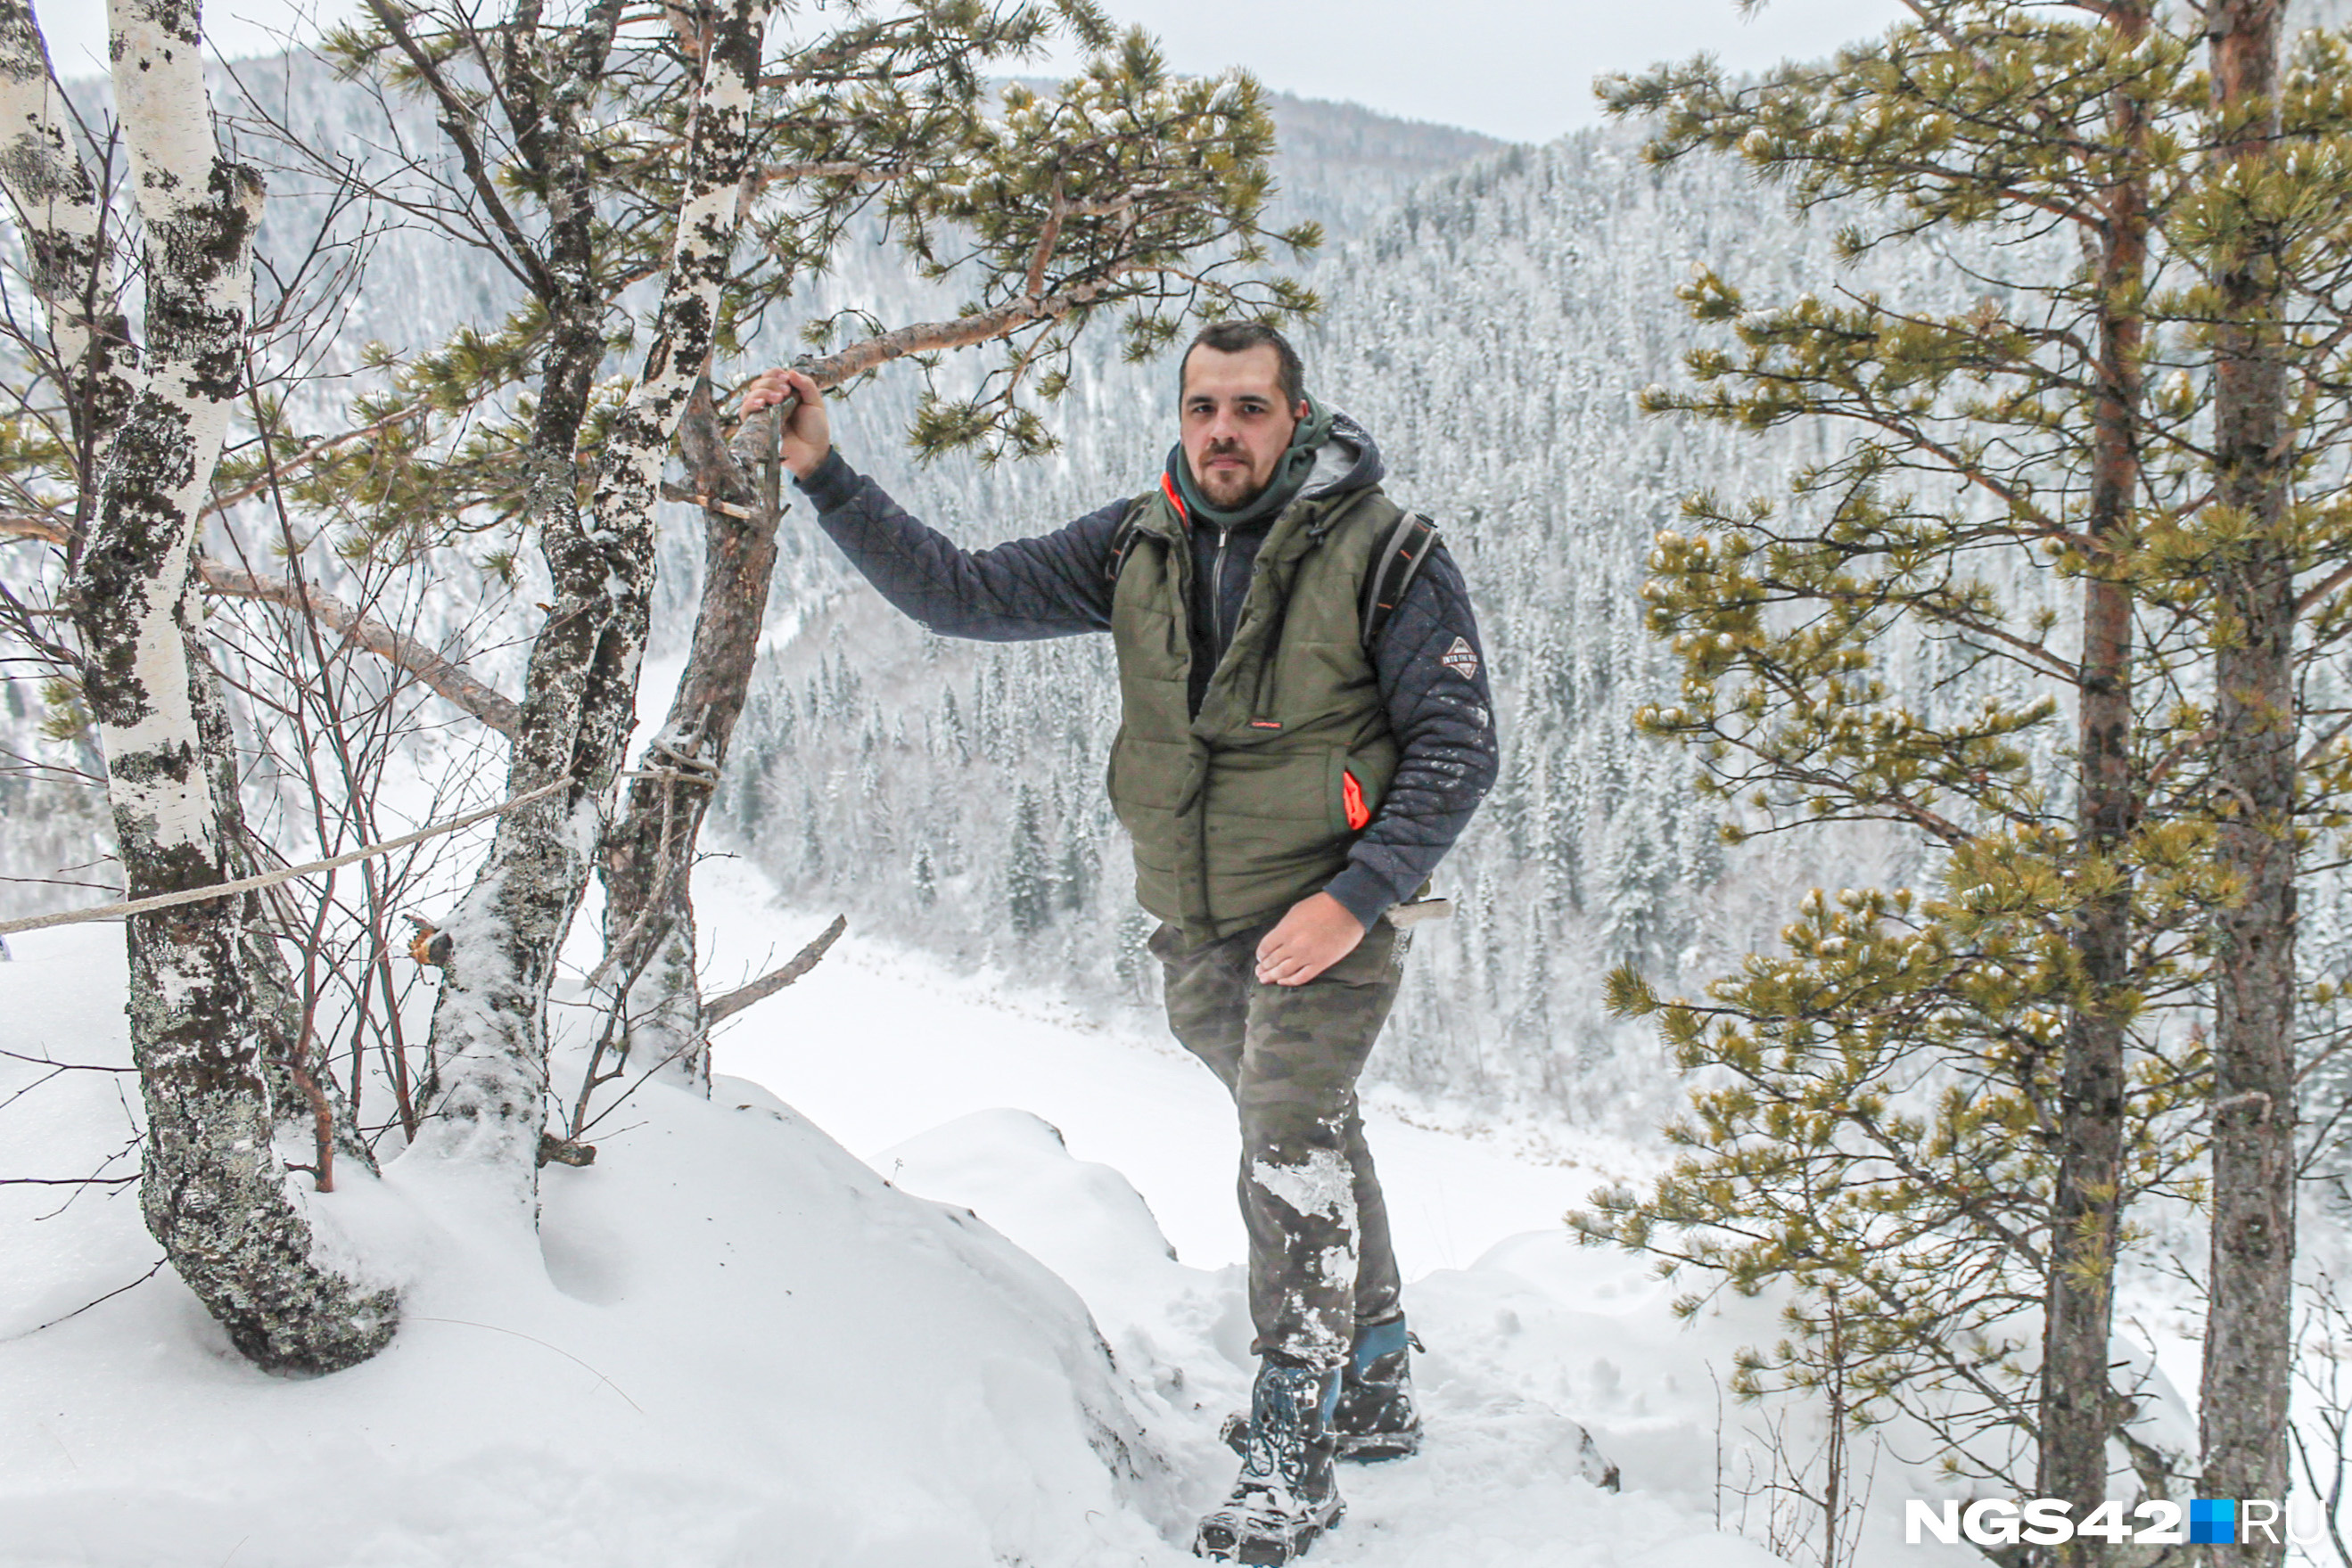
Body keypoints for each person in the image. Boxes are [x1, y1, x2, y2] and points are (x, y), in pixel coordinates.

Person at [741, 322, 1496, 1564]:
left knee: (1288, 1156)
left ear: (1297, 418)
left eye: (1249, 409)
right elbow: (962, 593)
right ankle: (1370, 1373)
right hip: (1196, 923)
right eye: (1203, 407)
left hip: (1324, 918)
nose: (1222, 433)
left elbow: (1459, 744)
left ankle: (1290, 1453)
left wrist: (1354, 897)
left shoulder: (1388, 552)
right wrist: (826, 474)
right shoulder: (1138, 540)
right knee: (1300, 1132)